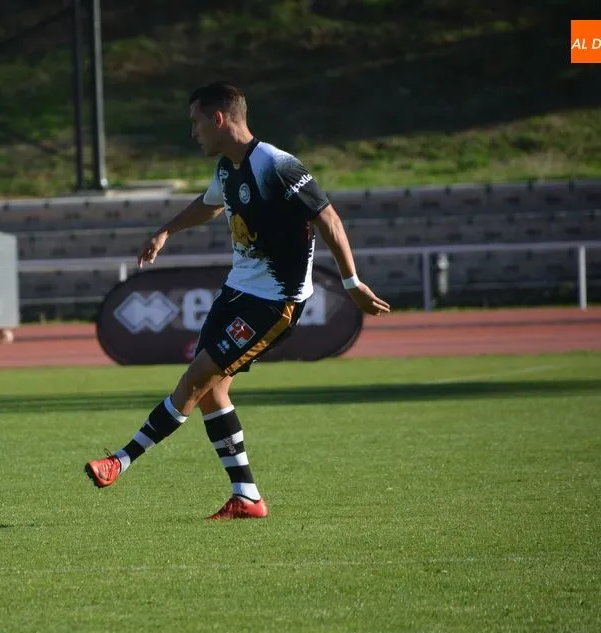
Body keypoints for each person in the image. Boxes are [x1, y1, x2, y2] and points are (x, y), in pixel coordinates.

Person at [83, 82, 390, 520]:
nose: (193, 133)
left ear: (219, 119)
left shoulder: (277, 165)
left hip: (274, 303)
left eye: (196, 123)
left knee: (195, 379)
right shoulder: (228, 169)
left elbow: (328, 217)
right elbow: (209, 205)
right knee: (211, 392)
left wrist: (351, 281)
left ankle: (121, 459)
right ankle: (247, 496)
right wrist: (166, 230)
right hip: (237, 292)